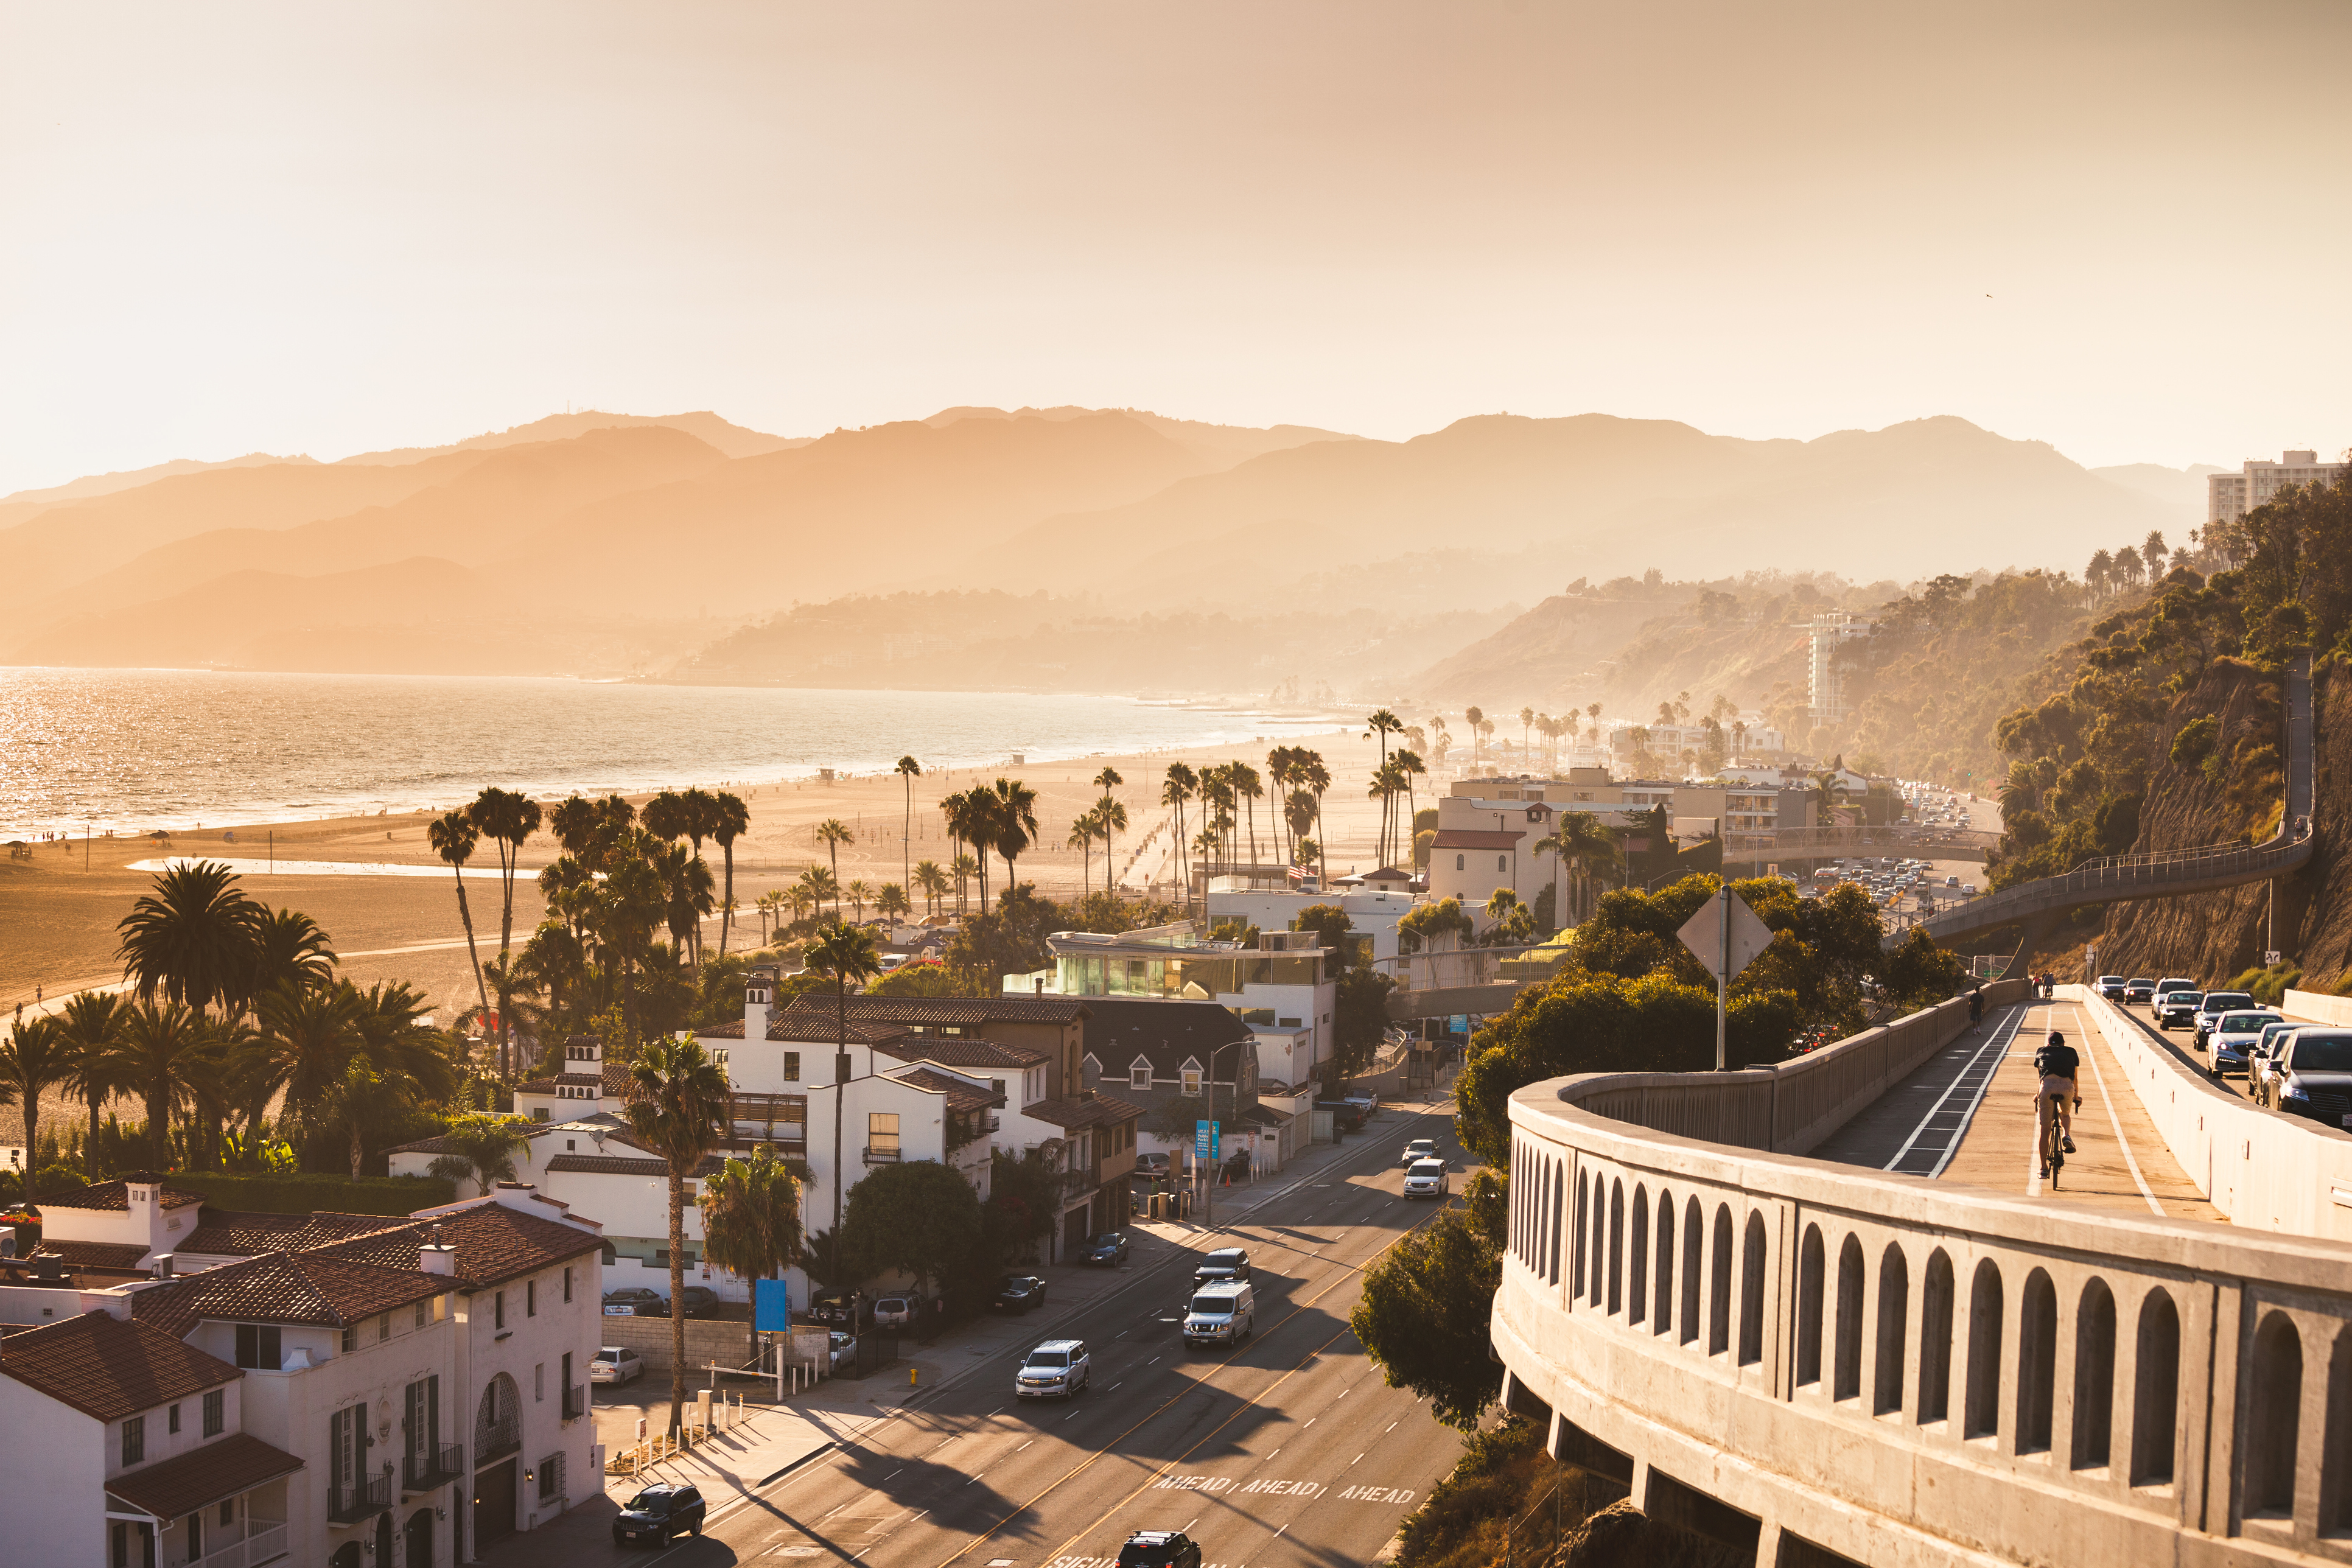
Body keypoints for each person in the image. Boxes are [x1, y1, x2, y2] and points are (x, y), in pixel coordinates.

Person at [2032, 1029, 2081, 1167]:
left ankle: (2043, 1168)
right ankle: (2066, 1135)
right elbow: (2075, 1078)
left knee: (2045, 1130)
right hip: (2067, 1087)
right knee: (2065, 1114)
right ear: (2063, 1044)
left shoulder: (2041, 1051)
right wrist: (2076, 1097)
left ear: (2048, 1045)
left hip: (2047, 1087)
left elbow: (2041, 1078)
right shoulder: (2071, 1052)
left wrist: (2038, 1095)